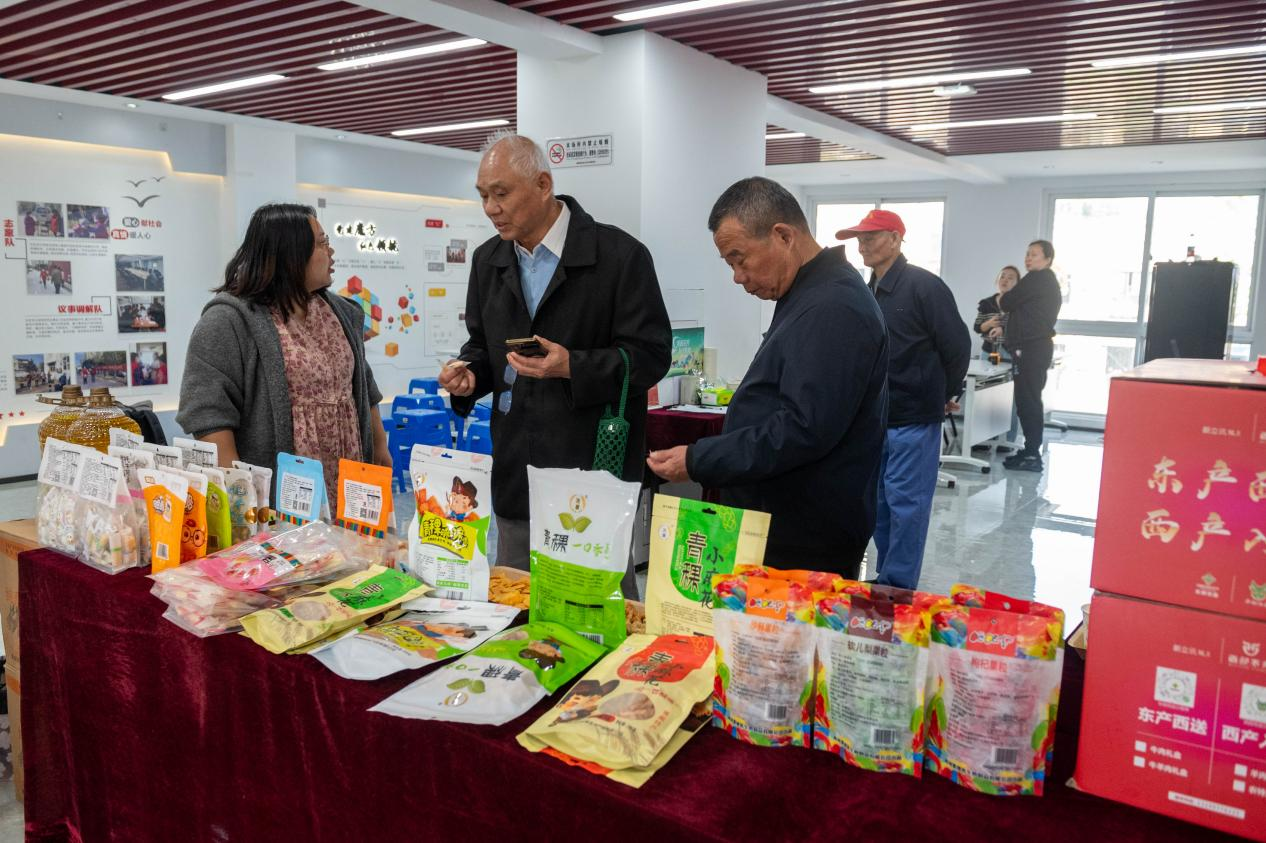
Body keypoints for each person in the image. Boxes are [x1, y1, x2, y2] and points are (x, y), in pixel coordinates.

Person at [440, 133, 671, 585]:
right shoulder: (488, 260)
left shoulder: (619, 257)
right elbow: (481, 346)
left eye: (501, 194)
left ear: (543, 185)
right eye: (483, 196)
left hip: (590, 469)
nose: (490, 208)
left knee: (596, 603)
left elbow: (651, 356)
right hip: (517, 470)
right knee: (515, 602)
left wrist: (572, 366)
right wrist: (469, 374)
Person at [646, 177, 888, 578]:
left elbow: (803, 428)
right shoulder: (808, 294)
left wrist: (700, 459)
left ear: (783, 236)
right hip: (783, 518)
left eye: (740, 259)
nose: (737, 276)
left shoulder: (834, 305)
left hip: (804, 535)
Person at [178, 203, 390, 497]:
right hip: (279, 491)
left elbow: (363, 384)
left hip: (349, 475)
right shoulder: (228, 320)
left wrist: (379, 446)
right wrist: (241, 495)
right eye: (322, 243)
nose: (331, 251)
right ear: (290, 253)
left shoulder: (341, 312)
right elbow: (207, 415)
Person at [836, 209, 971, 590]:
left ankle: (899, 585)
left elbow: (957, 346)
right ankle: (887, 577)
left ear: (895, 239)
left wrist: (946, 393)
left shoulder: (924, 286)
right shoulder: (867, 290)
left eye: (871, 238)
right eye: (859, 239)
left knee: (906, 504)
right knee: (878, 502)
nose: (862, 246)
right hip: (875, 418)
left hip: (913, 417)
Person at [995, 239, 1061, 472]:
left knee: (1028, 401)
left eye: (1034, 254)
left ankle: (1032, 454)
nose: (1028, 258)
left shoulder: (1037, 278)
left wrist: (1004, 298)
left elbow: (1007, 301)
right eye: (1027, 254)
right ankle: (1030, 449)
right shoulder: (1045, 280)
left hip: (1031, 349)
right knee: (1028, 400)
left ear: (1047, 259)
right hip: (1035, 347)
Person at [975, 265, 1021, 356]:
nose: (1005, 280)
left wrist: (1003, 329)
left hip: (1010, 353)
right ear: (997, 280)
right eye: (1002, 277)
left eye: (1010, 278)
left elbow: (1022, 328)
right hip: (988, 352)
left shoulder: (1020, 306)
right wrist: (988, 324)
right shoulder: (986, 303)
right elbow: (977, 328)